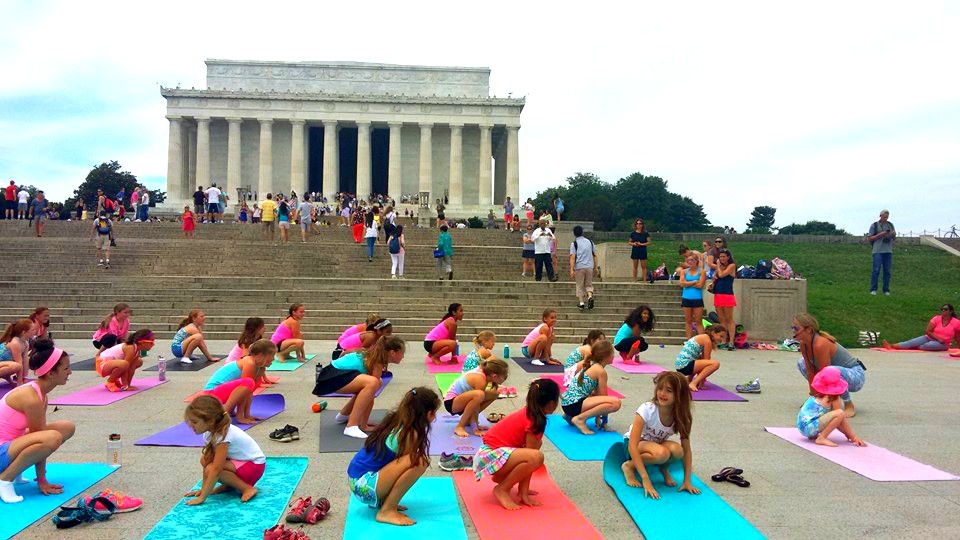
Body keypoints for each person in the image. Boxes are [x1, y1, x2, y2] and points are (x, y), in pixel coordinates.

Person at [347, 386, 439, 526]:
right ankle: (387, 511)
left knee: (414, 460)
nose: (435, 417)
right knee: (419, 461)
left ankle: (386, 503)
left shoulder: (397, 420)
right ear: (428, 413)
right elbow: (406, 470)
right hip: (364, 486)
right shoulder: (410, 433)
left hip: (357, 481)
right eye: (434, 413)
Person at [0, 339, 75, 504]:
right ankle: (5, 479)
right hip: (2, 450)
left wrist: (42, 479)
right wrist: (42, 480)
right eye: (66, 368)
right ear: (50, 373)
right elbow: (43, 439)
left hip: (8, 446)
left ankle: (15, 472)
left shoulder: (40, 393)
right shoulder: (31, 398)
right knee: (52, 437)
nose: (70, 372)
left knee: (66, 428)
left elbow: (39, 436)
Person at [472, 378, 559, 510]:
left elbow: (530, 453)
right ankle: (502, 489)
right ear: (552, 403)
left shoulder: (531, 412)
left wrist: (523, 490)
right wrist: (524, 493)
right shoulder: (536, 420)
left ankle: (504, 480)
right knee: (537, 456)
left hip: (490, 456)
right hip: (488, 457)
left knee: (536, 447)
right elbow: (532, 456)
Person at [619, 371, 699, 499]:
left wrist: (687, 481)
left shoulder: (682, 416)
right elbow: (632, 446)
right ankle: (629, 466)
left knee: (678, 451)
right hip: (634, 444)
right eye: (660, 388)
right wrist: (646, 480)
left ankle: (663, 467)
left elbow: (687, 451)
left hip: (655, 444)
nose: (662, 393)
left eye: (669, 391)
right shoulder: (647, 409)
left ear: (680, 395)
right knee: (662, 453)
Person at [313, 336, 406, 439]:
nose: (403, 357)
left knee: (375, 383)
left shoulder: (374, 356)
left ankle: (344, 415)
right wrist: (364, 426)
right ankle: (351, 425)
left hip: (332, 376)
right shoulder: (377, 360)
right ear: (392, 352)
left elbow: (370, 394)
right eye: (402, 353)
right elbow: (371, 392)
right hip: (331, 378)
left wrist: (364, 424)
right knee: (373, 383)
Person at [183, 395, 265, 505]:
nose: (190, 425)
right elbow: (207, 461)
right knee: (205, 460)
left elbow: (216, 469)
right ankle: (229, 485)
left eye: (195, 422)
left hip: (254, 466)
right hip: (242, 463)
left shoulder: (222, 436)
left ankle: (247, 488)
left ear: (211, 421)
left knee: (211, 469)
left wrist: (202, 498)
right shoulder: (209, 433)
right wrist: (203, 489)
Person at [793, 313, 866, 417]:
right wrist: (813, 396)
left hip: (856, 376)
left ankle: (849, 405)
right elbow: (810, 370)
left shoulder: (820, 344)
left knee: (828, 372)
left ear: (808, 330)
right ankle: (821, 398)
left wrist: (826, 401)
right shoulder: (803, 344)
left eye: (796, 328)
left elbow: (826, 374)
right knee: (802, 363)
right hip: (836, 373)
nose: (793, 331)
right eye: (792, 328)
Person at [202, 339, 275, 423]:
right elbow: (244, 389)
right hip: (211, 393)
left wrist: (247, 415)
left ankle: (228, 411)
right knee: (248, 382)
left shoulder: (260, 368)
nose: (273, 359)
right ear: (261, 355)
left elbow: (249, 392)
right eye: (272, 356)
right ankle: (224, 413)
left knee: (251, 384)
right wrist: (240, 417)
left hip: (220, 393)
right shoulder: (249, 362)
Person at [561, 340, 621, 435]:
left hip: (568, 405)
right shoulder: (600, 371)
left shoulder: (593, 366)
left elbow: (598, 396)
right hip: (573, 405)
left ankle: (569, 416)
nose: (614, 356)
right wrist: (604, 423)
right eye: (612, 353)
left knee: (595, 395)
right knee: (616, 403)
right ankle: (580, 419)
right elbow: (605, 399)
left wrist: (598, 419)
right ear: (606, 356)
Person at [797, 367, 867, 448]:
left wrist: (846, 433)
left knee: (836, 414)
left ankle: (814, 435)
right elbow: (840, 418)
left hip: (803, 427)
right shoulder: (833, 397)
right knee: (840, 413)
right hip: (809, 427)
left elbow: (835, 420)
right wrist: (853, 436)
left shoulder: (819, 396)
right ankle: (821, 438)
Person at [445, 358, 508, 438]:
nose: (506, 377)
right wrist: (475, 428)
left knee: (495, 394)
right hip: (451, 403)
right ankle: (460, 426)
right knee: (479, 395)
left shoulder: (486, 372)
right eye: (505, 375)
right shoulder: (480, 380)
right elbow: (476, 405)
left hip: (459, 401)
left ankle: (468, 420)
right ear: (494, 376)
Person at [883, 304, 960, 351]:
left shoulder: (956, 322)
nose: (943, 311)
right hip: (931, 338)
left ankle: (914, 347)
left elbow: (957, 336)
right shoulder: (936, 318)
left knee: (929, 345)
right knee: (910, 342)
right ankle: (891, 345)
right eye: (942, 309)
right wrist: (938, 338)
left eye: (945, 309)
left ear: (951, 311)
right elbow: (928, 331)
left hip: (944, 344)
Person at [675, 325, 725, 393]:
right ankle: (694, 383)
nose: (721, 339)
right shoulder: (707, 341)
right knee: (715, 364)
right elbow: (706, 362)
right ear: (713, 333)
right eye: (721, 336)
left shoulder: (704, 337)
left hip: (680, 365)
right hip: (684, 366)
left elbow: (703, 360)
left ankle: (689, 380)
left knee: (700, 357)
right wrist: (702, 382)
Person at [712, 249, 737, 350]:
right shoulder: (719, 267)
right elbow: (716, 276)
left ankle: (731, 341)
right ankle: (723, 340)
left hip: (727, 295)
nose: (722, 259)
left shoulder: (732, 266)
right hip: (718, 294)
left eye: (724, 257)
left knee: (729, 319)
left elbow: (722, 274)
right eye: (720, 257)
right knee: (721, 319)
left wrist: (717, 265)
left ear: (728, 257)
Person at [569, 225, 598, 310]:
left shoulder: (574, 244)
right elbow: (595, 255)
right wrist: (596, 267)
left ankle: (581, 303)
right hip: (589, 266)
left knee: (579, 285)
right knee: (588, 284)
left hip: (579, 267)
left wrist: (571, 269)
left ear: (574, 234)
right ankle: (589, 296)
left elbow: (573, 257)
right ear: (582, 232)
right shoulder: (590, 242)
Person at [867, 209, 895, 296]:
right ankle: (873, 289)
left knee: (887, 271)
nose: (886, 218)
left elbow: (894, 238)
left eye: (887, 217)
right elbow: (870, 238)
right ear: (880, 216)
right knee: (876, 270)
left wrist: (892, 234)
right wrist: (882, 234)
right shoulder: (874, 225)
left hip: (888, 251)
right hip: (877, 251)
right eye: (884, 216)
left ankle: (886, 290)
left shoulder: (890, 225)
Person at [679, 252, 706, 339]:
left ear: (696, 261)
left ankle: (701, 339)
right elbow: (682, 283)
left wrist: (687, 284)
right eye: (689, 260)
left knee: (698, 320)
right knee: (688, 320)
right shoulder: (684, 271)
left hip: (697, 298)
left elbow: (700, 285)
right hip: (686, 298)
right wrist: (694, 282)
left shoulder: (701, 271)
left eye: (692, 260)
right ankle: (688, 339)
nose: (690, 262)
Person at [0, 320, 34, 386]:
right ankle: (6, 376)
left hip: (4, 363)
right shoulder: (15, 343)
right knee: (16, 366)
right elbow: (19, 363)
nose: (34, 332)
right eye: (32, 330)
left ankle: (6, 376)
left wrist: (25, 377)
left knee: (27, 359)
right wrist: (19, 381)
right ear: (24, 332)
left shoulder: (25, 343)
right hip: (3, 363)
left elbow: (25, 360)